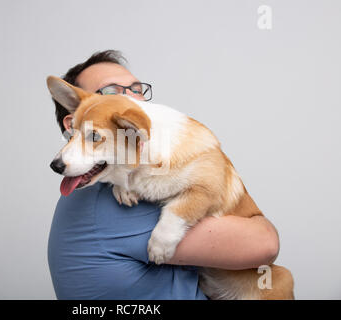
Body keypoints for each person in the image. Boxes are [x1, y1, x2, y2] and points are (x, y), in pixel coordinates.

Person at [47, 50, 280, 299]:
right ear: (74, 119)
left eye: (136, 90)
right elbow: (264, 243)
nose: (132, 100)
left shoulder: (128, 175)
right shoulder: (109, 207)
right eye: (111, 92)